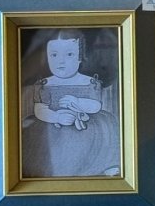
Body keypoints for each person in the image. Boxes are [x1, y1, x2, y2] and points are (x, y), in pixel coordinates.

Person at [20, 28, 120, 178]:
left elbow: (96, 106)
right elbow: (40, 109)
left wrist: (78, 102)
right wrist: (56, 117)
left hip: (87, 131)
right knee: (37, 134)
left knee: (107, 125)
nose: (61, 60)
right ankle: (53, 171)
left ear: (81, 57)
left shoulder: (90, 82)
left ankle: (104, 164)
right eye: (54, 55)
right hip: (53, 128)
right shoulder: (44, 84)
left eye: (69, 54)